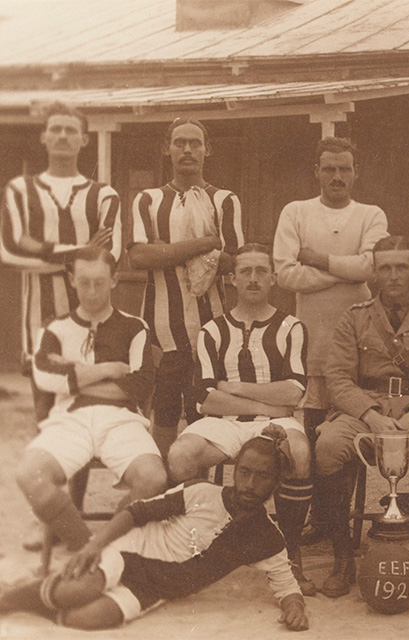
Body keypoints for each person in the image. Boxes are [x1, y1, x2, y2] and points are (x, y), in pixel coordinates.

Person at [0, 426, 308, 632]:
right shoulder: (202, 492)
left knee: (85, 620)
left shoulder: (267, 538)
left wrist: (295, 609)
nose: (250, 484)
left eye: (262, 476)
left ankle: (36, 594)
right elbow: (136, 512)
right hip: (132, 551)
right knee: (77, 590)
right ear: (235, 469)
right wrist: (94, 545)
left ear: (277, 482)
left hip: (156, 588)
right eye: (245, 472)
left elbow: (287, 587)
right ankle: (10, 599)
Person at [315, 236, 409, 598]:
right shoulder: (355, 317)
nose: (394, 275)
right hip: (366, 406)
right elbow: (337, 378)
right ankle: (341, 558)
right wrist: (371, 414)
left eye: (401, 267)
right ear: (375, 272)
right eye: (385, 268)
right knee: (328, 446)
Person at [167, 243, 315, 595]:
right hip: (224, 423)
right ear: (232, 279)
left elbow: (293, 391)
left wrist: (233, 387)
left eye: (261, 271)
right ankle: (194, 548)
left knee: (299, 451)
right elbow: (204, 396)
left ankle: (290, 552)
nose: (253, 278)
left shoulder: (291, 327)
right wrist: (264, 401)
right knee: (180, 454)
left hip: (274, 422)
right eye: (245, 271)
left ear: (274, 279)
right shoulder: (212, 331)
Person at [273, 136, 387, 544]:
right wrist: (347, 270)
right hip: (312, 341)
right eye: (329, 169)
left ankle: (342, 521)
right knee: (316, 433)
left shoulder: (371, 214)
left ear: (356, 172)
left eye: (344, 169)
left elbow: (372, 268)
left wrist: (319, 260)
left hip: (358, 344)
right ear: (316, 171)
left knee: (352, 433)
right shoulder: (296, 212)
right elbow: (286, 274)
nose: (336, 177)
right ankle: (322, 520)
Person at [15, 247, 166, 553]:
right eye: (84, 282)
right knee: (30, 475)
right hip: (70, 418)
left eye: (99, 282)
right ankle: (85, 547)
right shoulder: (56, 330)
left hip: (121, 420)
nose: (92, 291)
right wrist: (109, 370)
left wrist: (74, 378)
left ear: (114, 280)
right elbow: (44, 377)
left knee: (153, 479)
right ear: (71, 280)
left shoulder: (135, 327)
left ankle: (104, 542)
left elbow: (140, 385)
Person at [128, 117, 244, 458]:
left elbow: (231, 260)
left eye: (195, 143)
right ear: (167, 149)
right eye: (180, 142)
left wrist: (165, 251)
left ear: (208, 149)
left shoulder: (225, 199)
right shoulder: (148, 200)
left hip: (212, 324)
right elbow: (138, 256)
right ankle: (161, 488)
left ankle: (195, 492)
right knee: (162, 410)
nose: (188, 149)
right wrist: (204, 243)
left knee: (202, 410)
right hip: (161, 328)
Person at [0, 102, 122, 422]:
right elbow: (10, 252)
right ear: (44, 137)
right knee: (44, 409)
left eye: (71, 130)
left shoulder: (103, 194)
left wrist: (38, 247)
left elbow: (110, 257)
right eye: (56, 128)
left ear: (85, 139)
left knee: (86, 409)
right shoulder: (20, 190)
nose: (63, 135)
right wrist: (79, 253)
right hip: (38, 319)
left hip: (92, 316)